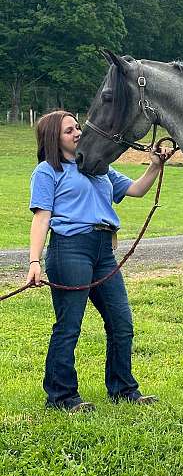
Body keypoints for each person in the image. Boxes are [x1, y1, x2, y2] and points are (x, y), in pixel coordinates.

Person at [27, 110, 172, 413]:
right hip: (70, 250)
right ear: (54, 138)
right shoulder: (47, 171)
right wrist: (34, 262)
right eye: (69, 131)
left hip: (104, 251)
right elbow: (42, 218)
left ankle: (123, 389)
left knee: (122, 323)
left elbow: (136, 190)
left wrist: (155, 165)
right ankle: (62, 396)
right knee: (69, 326)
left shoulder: (99, 167)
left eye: (77, 127)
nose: (78, 133)